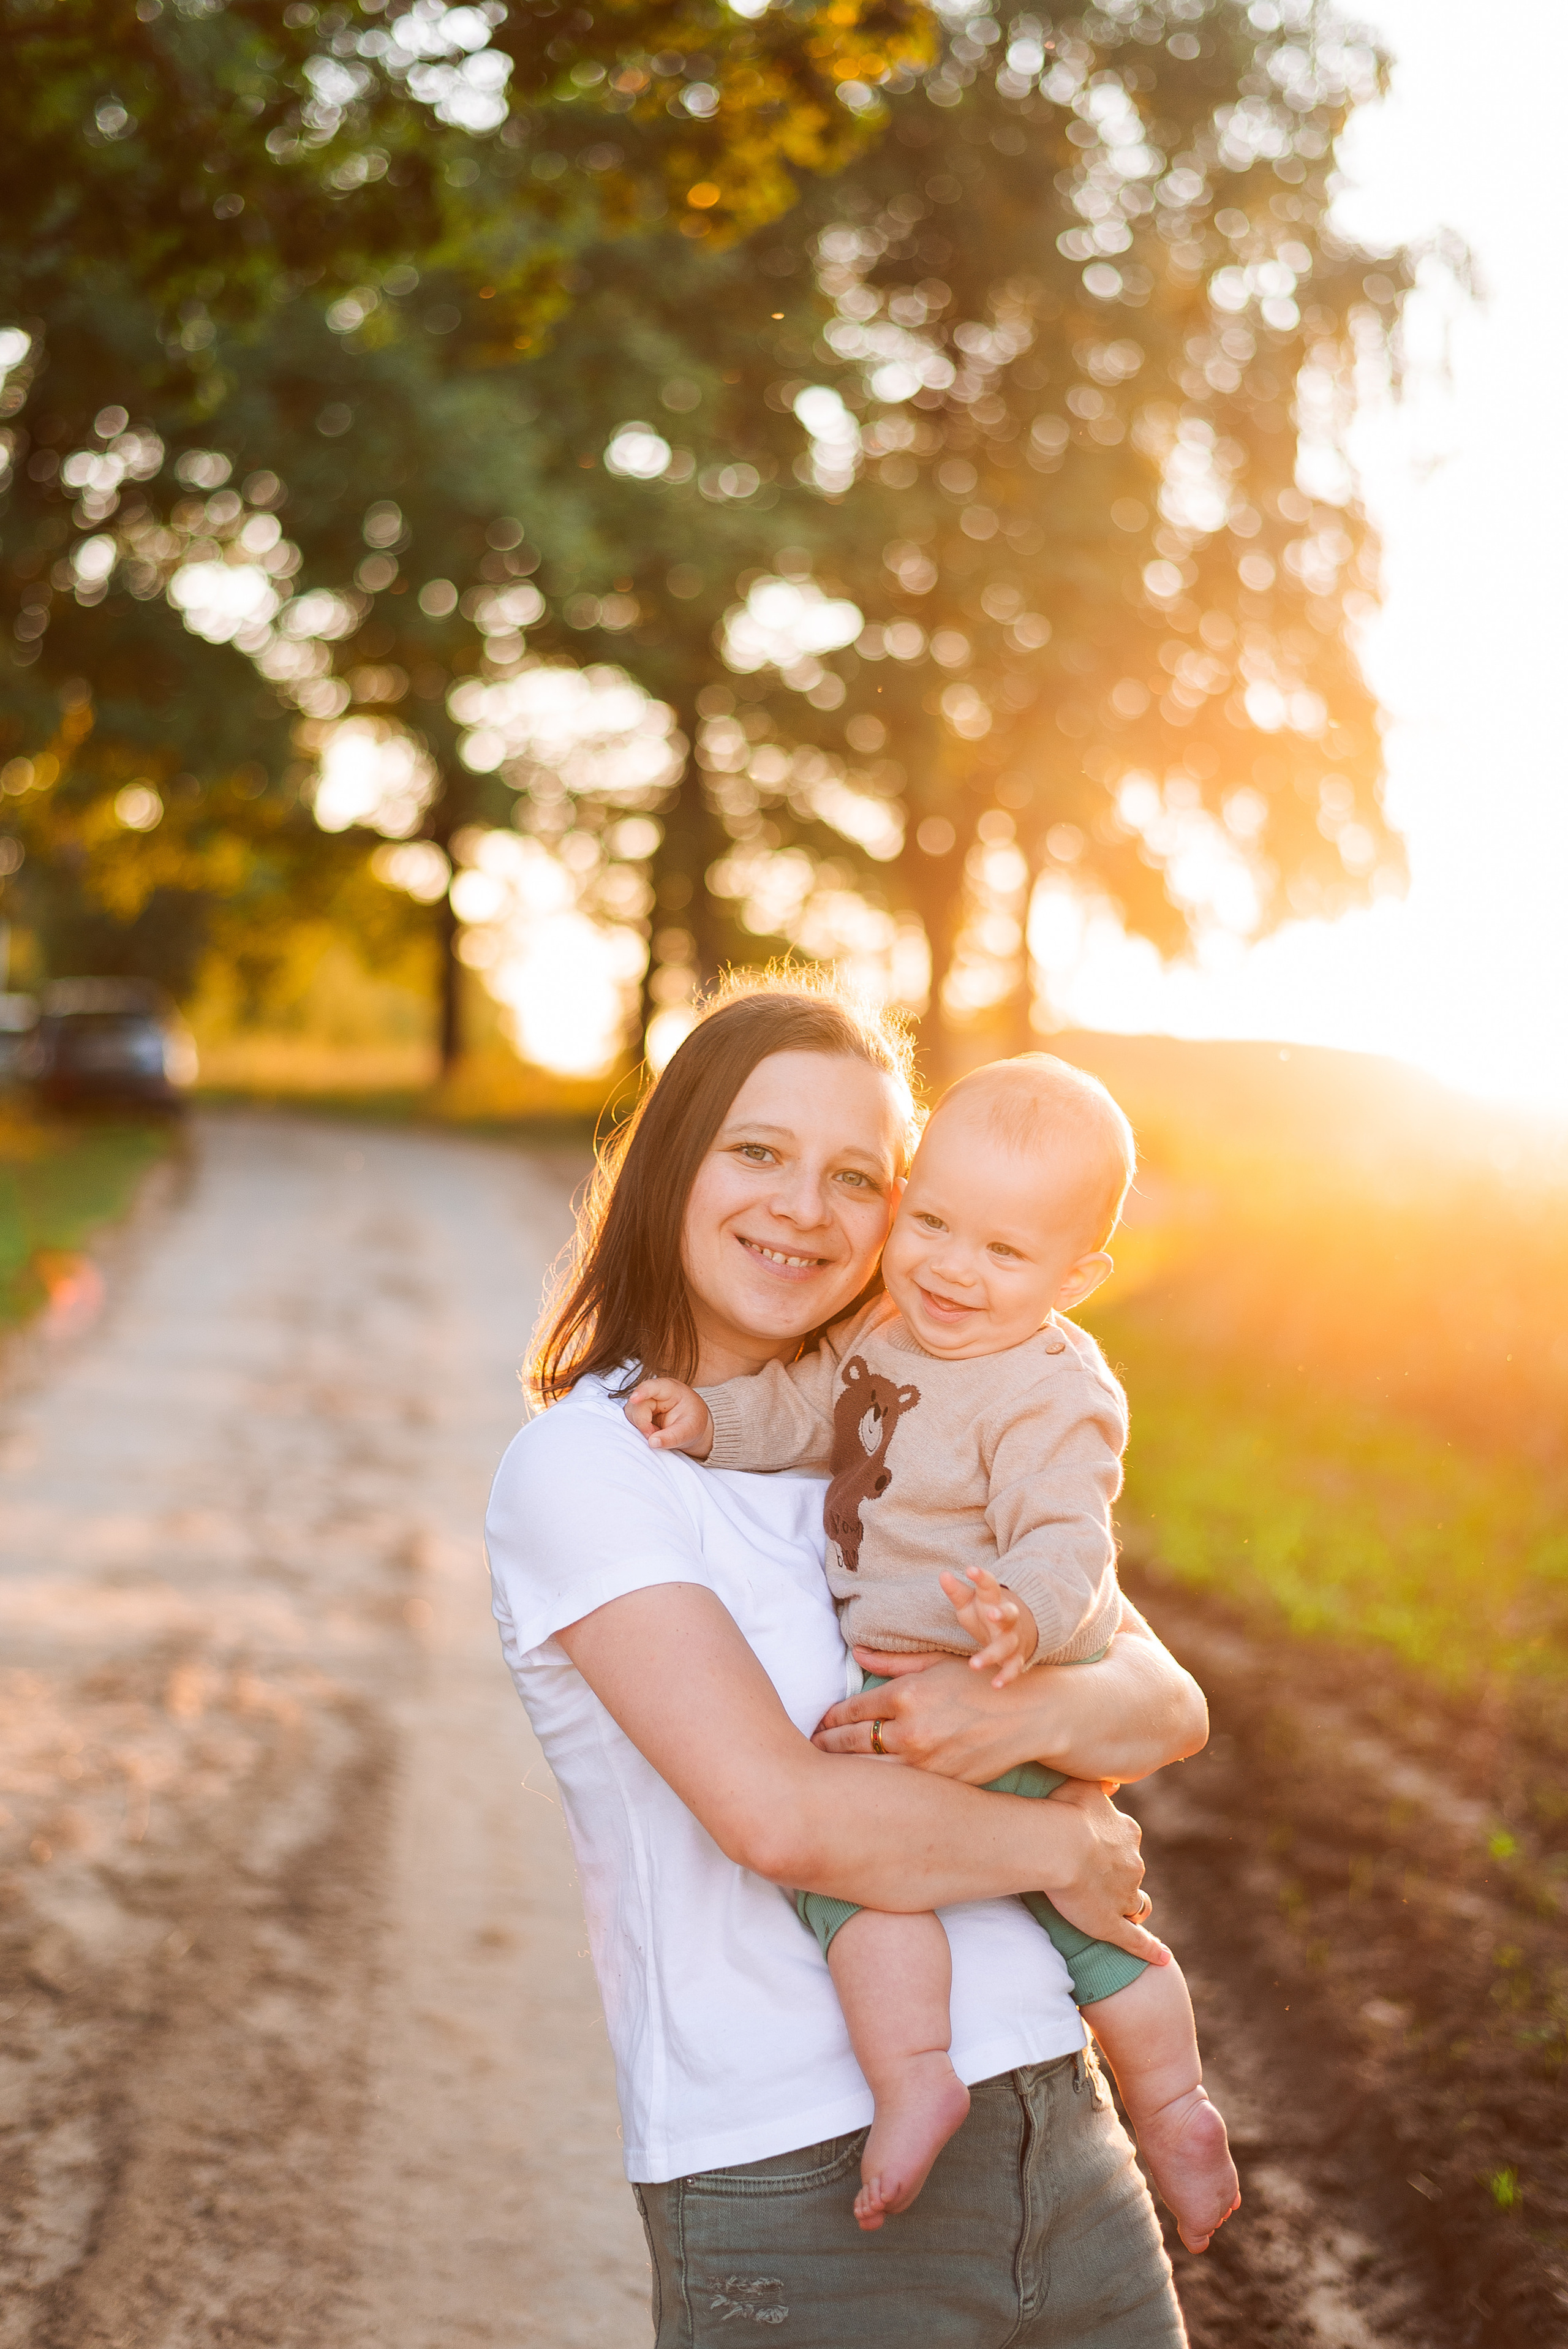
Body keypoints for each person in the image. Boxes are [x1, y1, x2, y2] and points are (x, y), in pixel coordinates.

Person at [485, 976, 1209, 2348]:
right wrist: (1059, 1848)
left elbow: (1163, 1702)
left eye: (856, 1177)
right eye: (756, 1153)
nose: (804, 1210)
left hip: (1060, 2130)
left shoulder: (931, 1412)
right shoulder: (591, 1468)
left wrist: (1022, 1701)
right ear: (670, 1162)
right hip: (797, 2171)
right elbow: (783, 1816)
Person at [625, 1053, 1239, 2249]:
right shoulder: (885, 1337)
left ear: (1077, 1276)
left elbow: (1069, 1537)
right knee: (990, 1904)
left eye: (1003, 1254)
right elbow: (804, 1413)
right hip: (910, 1682)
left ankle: (1130, 2101)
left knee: (950, 1896)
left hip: (1001, 1669)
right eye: (933, 1223)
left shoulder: (1049, 1387)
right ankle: (1032, 2094)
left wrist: (1019, 1617)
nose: (953, 1268)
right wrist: (710, 1421)